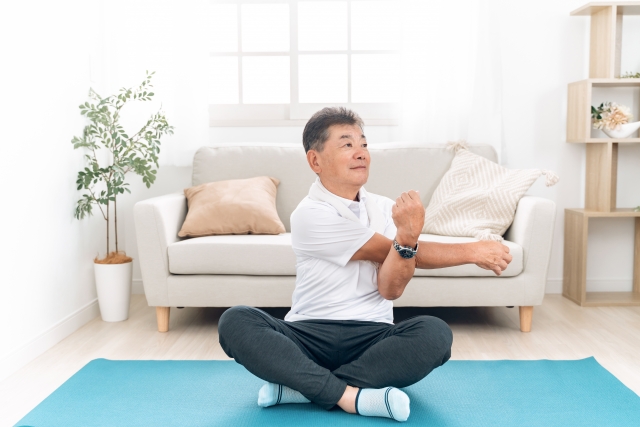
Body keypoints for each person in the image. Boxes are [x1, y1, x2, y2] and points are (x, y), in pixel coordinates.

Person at [218, 107, 512, 422]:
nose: (361, 153)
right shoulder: (308, 213)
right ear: (315, 161)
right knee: (235, 321)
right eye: (347, 144)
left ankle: (302, 388)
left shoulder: (385, 209)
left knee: (436, 334)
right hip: (307, 335)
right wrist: (471, 250)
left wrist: (407, 238)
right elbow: (387, 250)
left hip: (372, 337)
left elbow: (390, 289)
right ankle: (352, 396)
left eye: (364, 144)